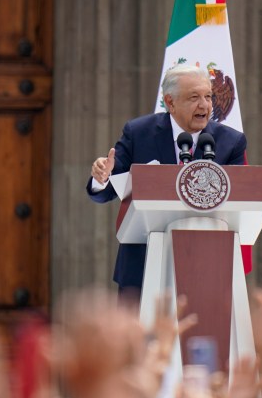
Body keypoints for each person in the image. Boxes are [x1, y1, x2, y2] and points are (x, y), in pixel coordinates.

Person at [86, 64, 247, 293]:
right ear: (170, 102)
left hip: (206, 267)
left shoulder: (231, 142)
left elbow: (241, 200)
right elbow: (106, 193)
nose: (205, 105)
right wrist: (102, 177)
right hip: (142, 268)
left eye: (208, 96)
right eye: (194, 97)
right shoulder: (138, 133)